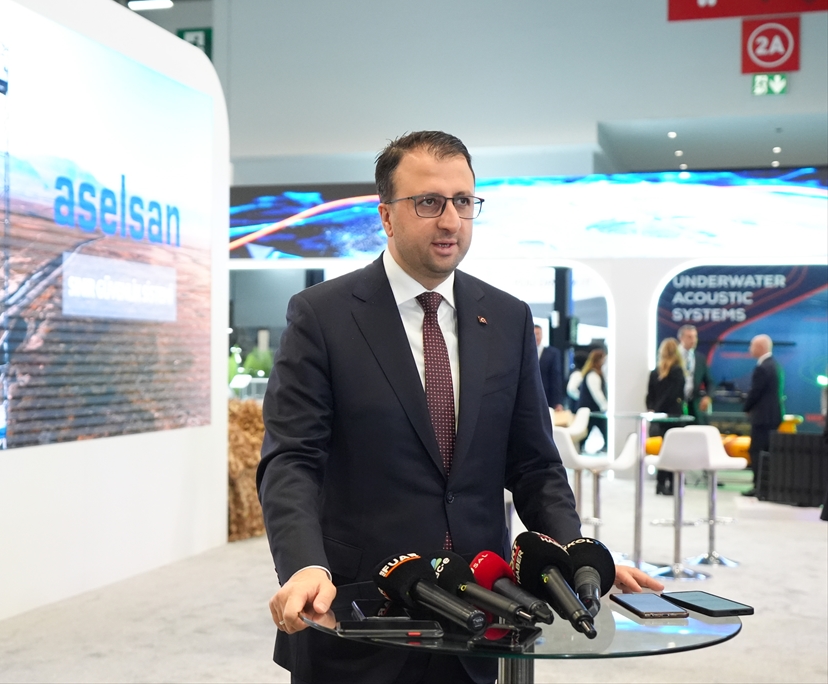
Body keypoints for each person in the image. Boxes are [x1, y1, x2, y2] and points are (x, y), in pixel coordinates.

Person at [257, 131, 660, 684]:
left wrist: (575, 555)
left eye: (464, 202)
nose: (450, 221)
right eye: (429, 202)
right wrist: (304, 563)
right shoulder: (322, 316)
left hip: (482, 616)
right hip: (358, 613)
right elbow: (292, 460)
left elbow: (534, 465)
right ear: (386, 216)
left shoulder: (508, 318)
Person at [742, 334, 784, 497]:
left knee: (757, 451)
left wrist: (746, 407)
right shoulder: (774, 365)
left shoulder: (762, 367)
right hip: (773, 416)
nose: (749, 349)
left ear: (760, 347)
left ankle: (759, 487)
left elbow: (756, 392)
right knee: (767, 451)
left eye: (752, 345)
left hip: (762, 417)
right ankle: (766, 486)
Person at [646, 338, 687, 495]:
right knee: (673, 451)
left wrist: (654, 410)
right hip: (674, 416)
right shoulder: (678, 372)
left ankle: (660, 483)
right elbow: (675, 394)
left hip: (658, 417)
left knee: (662, 450)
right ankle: (672, 484)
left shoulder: (654, 372)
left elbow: (650, 396)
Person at [677, 324, 714, 424]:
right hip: (676, 404)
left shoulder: (700, 358)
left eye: (695, 337)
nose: (693, 340)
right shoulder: (673, 357)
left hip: (694, 404)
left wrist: (708, 397)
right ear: (681, 338)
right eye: (689, 337)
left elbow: (709, 381)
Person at [576, 347, 608, 454]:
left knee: (588, 431)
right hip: (591, 410)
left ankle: (578, 449)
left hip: (590, 409)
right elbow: (596, 393)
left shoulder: (592, 373)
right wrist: (605, 406)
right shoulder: (593, 374)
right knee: (586, 431)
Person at [535, 325, 565, 412]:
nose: (536, 337)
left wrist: (558, 401)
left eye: (538, 334)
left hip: (547, 396)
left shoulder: (552, 353)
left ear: (542, 335)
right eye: (533, 334)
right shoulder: (525, 353)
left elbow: (556, 377)